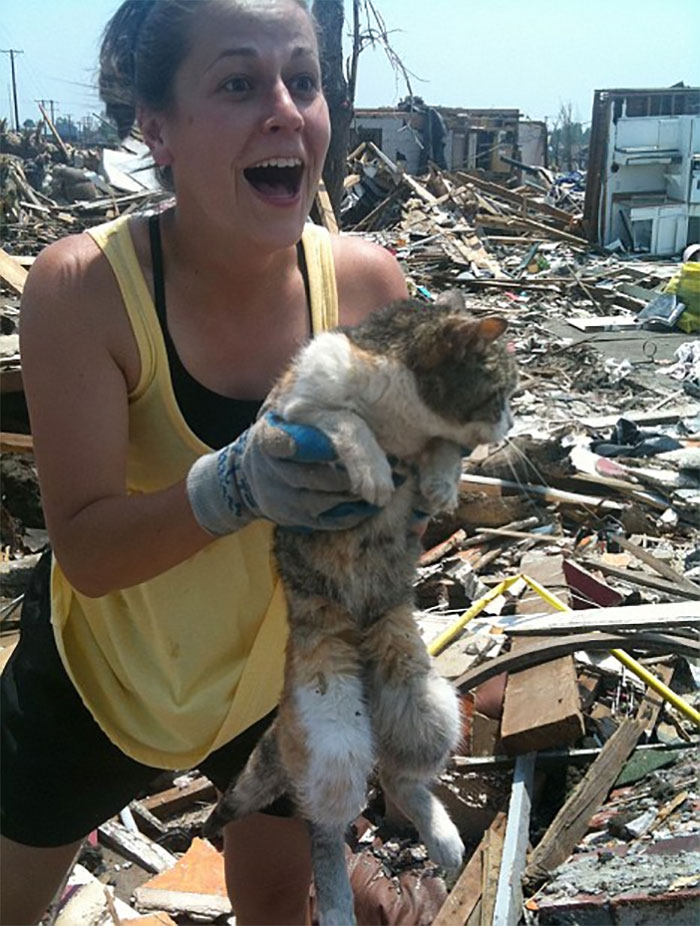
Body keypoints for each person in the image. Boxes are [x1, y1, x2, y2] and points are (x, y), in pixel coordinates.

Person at [0, 2, 408, 923]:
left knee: (275, 899)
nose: (285, 111)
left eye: (302, 81)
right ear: (158, 129)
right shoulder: (85, 291)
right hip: (105, 672)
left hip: (273, 675)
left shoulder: (370, 289)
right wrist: (240, 480)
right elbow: (92, 553)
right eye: (237, 83)